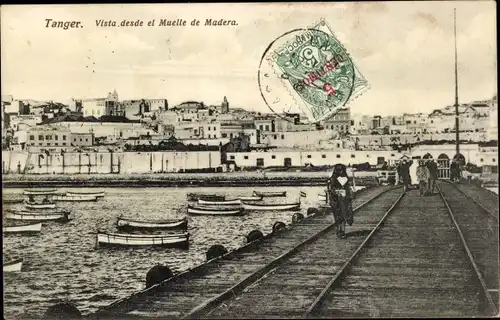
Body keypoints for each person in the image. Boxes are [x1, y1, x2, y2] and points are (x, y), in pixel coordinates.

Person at [327, 164, 355, 239]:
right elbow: (331, 189)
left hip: (342, 199)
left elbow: (348, 188)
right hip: (335, 200)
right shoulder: (333, 178)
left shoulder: (345, 178)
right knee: (338, 216)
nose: (341, 172)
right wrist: (338, 192)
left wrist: (348, 195)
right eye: (340, 170)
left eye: (342, 170)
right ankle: (339, 231)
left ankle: (342, 231)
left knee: (342, 215)